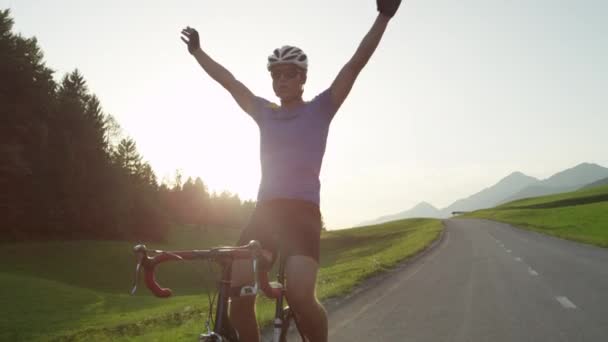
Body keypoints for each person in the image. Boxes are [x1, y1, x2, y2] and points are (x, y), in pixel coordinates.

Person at [181, 1, 402, 341]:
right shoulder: (264, 112)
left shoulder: (320, 109)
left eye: (289, 74)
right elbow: (231, 82)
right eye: (275, 74)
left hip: (302, 215)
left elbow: (355, 64)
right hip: (265, 214)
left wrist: (383, 17)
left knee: (299, 294)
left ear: (302, 79)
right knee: (238, 296)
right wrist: (198, 53)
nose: (281, 80)